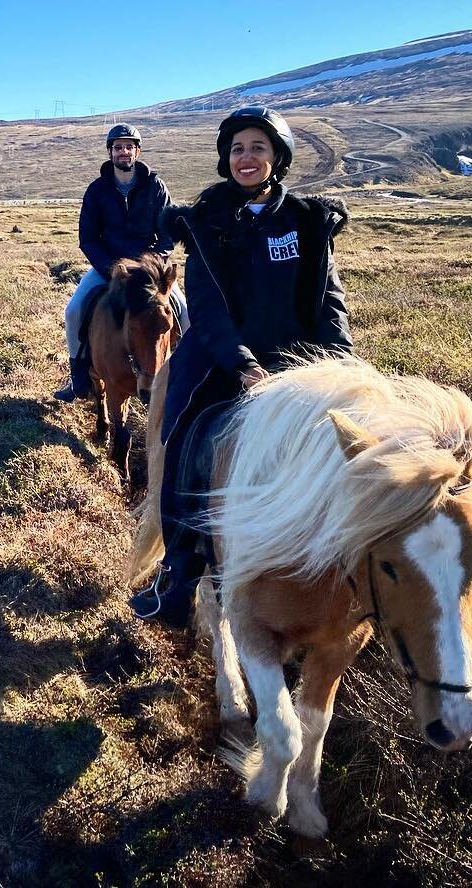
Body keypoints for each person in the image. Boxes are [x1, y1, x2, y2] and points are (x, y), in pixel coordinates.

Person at [130, 106, 354, 626]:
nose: (245, 157)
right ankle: (178, 574)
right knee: (184, 436)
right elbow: (208, 308)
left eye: (256, 147)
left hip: (297, 358)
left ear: (277, 157)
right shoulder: (208, 218)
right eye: (236, 149)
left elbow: (328, 303)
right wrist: (244, 365)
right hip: (219, 356)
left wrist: (339, 366)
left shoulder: (306, 220)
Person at [53, 123, 189, 402]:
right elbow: (88, 238)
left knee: (186, 314)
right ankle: (79, 378)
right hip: (110, 269)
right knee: (74, 311)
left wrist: (153, 266)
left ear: (137, 151)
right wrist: (110, 268)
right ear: (110, 152)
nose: (123, 152)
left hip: (150, 272)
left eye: (129, 146)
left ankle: (189, 375)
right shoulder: (97, 190)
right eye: (118, 147)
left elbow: (166, 235)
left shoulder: (155, 186)